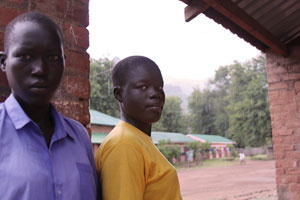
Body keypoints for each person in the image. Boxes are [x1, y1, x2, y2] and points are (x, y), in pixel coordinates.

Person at [0, 12, 98, 199]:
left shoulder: (78, 136)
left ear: (64, 63)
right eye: (26, 56)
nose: (41, 69)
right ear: (4, 62)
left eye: (52, 58)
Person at [95, 56, 182, 200]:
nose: (156, 94)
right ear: (119, 94)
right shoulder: (124, 144)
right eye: (143, 87)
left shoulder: (138, 139)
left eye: (159, 87)